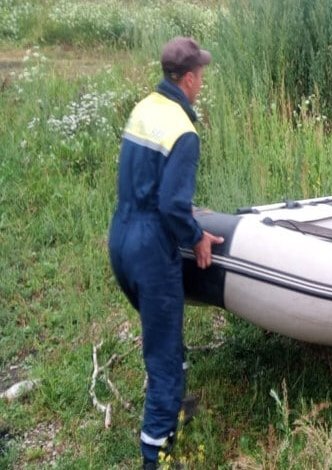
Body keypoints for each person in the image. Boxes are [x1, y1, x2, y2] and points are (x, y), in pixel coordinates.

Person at [108, 36, 224, 469]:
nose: (201, 84)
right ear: (190, 79)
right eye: (201, 77)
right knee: (164, 356)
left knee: (165, 340)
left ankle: (174, 413)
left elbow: (144, 183)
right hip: (151, 248)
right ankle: (154, 454)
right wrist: (196, 236)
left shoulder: (143, 109)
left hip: (119, 237)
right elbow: (173, 205)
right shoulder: (183, 129)